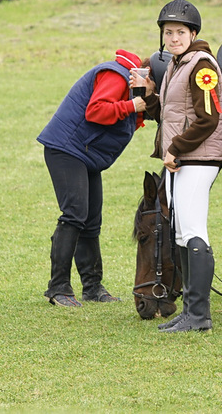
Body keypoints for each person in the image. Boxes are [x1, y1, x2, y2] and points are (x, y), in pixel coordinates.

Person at [131, 0, 222, 333]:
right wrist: (149, 94)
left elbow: (208, 119)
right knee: (183, 234)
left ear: (193, 33)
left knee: (194, 232)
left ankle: (199, 316)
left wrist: (176, 148)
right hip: (179, 160)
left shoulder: (202, 66)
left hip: (196, 159)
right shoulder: (175, 65)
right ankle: (189, 311)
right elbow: (170, 115)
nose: (173, 38)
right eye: (168, 32)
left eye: (180, 32)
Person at [37, 49, 149, 307]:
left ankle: (93, 288)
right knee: (75, 214)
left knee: (91, 221)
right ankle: (58, 288)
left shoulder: (134, 86)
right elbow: (96, 111)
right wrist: (132, 105)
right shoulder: (117, 75)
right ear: (145, 74)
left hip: (86, 152)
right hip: (66, 148)